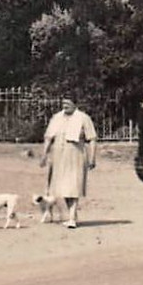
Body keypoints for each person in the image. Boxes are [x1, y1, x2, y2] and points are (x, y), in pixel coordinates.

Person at [40, 96, 96, 229]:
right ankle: (72, 215)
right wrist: (44, 155)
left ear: (75, 104)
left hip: (76, 154)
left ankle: (71, 218)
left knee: (74, 185)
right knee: (63, 187)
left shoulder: (83, 118)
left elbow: (92, 138)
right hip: (59, 155)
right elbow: (48, 137)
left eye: (68, 103)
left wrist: (92, 157)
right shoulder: (57, 118)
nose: (65, 106)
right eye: (63, 103)